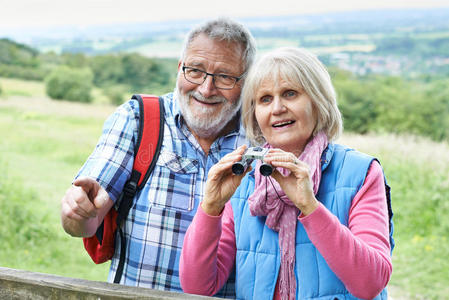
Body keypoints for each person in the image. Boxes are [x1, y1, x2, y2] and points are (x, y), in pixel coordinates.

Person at [60, 18, 256, 296]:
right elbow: (84, 223)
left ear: (246, 81)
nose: (206, 88)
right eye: (195, 71)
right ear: (179, 68)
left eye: (225, 77)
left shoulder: (261, 140)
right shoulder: (139, 119)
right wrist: (78, 213)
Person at [179, 47, 394, 300]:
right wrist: (211, 206)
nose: (277, 108)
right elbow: (198, 287)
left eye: (290, 94)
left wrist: (310, 206)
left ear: (317, 101)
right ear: (255, 113)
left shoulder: (360, 172)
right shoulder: (245, 179)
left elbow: (370, 283)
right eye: (265, 99)